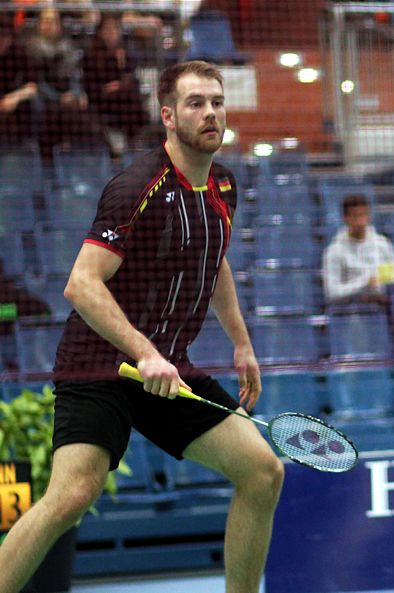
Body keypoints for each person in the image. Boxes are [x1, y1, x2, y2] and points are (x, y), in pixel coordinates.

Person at [0, 60, 284, 593]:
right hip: (101, 365)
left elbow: (213, 258)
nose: (210, 113)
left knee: (263, 472)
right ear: (168, 116)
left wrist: (242, 343)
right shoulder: (136, 187)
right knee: (70, 497)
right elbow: (81, 284)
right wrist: (144, 352)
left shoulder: (223, 184)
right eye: (195, 103)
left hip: (167, 371)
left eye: (217, 102)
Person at [23, 8, 107, 160]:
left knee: (88, 118)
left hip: (67, 96)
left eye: (53, 21)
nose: (49, 25)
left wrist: (77, 93)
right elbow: (36, 81)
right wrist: (59, 98)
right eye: (45, 21)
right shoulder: (30, 48)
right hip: (44, 99)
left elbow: (74, 75)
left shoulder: (68, 47)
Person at [82, 13, 151, 152]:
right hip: (101, 98)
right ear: (100, 32)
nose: (111, 34)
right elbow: (89, 84)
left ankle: (132, 141)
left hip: (123, 97)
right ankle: (114, 138)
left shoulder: (126, 52)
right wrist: (107, 88)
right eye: (107, 30)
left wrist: (122, 65)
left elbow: (133, 79)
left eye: (114, 29)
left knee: (132, 99)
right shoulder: (91, 55)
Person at [322, 194, 394, 306]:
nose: (360, 222)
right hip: (353, 306)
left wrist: (379, 286)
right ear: (345, 219)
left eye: (363, 215)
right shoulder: (334, 251)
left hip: (383, 298)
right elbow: (332, 293)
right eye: (355, 217)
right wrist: (364, 284)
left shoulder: (382, 244)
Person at [0, 13, 38, 146]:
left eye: (5, 37)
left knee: (31, 106)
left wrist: (14, 97)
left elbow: (32, 86)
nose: (2, 41)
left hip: (12, 104)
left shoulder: (19, 53)